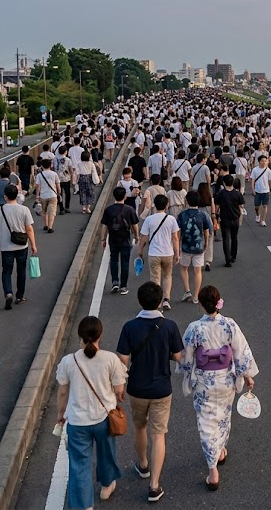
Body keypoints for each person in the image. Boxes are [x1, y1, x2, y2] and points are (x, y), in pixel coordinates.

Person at [179, 286, 259, 491]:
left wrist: (187, 372)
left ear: (202, 304)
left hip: (204, 382)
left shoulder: (194, 328)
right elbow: (241, 352)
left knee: (206, 422)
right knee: (223, 417)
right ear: (218, 302)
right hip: (225, 381)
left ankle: (212, 469)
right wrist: (247, 375)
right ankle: (220, 449)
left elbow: (186, 359)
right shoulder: (229, 324)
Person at [116, 282, 185, 503]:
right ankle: (154, 485)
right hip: (161, 389)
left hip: (137, 388)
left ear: (139, 301)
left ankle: (143, 464)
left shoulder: (129, 327)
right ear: (159, 302)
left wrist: (118, 386)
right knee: (159, 435)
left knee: (140, 427)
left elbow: (122, 361)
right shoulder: (170, 326)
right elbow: (178, 356)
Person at [55, 316, 125, 509]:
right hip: (104, 419)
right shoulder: (111, 359)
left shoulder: (69, 361)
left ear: (81, 336)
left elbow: (62, 391)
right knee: (106, 453)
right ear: (100, 336)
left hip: (78, 422)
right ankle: (106, 485)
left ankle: (84, 505)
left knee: (79, 466)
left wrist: (60, 414)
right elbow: (119, 389)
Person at [0, 184, 37, 310]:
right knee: (21, 271)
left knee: (6, 271)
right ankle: (20, 296)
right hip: (22, 245)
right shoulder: (24, 210)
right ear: (17, 195)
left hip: (6, 246)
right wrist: (33, 244)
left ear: (5, 196)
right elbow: (29, 229)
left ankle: (8, 293)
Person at [138, 195, 181, 309]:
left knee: (155, 279)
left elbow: (144, 237)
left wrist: (140, 250)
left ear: (154, 205)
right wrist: (177, 253)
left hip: (154, 253)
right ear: (167, 205)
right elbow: (175, 238)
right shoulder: (171, 219)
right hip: (168, 252)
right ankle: (166, 299)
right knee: (167, 276)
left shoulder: (149, 219)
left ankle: (157, 303)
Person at [101, 186, 140, 295]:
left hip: (113, 239)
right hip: (125, 239)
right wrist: (136, 236)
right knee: (125, 262)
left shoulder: (108, 210)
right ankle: (123, 286)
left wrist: (103, 239)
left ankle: (115, 282)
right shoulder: (129, 209)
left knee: (113, 260)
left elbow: (104, 226)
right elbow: (134, 225)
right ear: (125, 196)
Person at [176, 190, 213, 304]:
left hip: (186, 246)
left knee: (184, 268)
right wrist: (206, 242)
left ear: (186, 201)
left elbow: (178, 232)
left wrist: (177, 246)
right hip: (199, 246)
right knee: (198, 271)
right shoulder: (203, 214)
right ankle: (196, 296)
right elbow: (207, 231)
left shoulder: (182, 215)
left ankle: (187, 291)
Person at [214, 175, 245, 267]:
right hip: (235, 218)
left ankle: (227, 259)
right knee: (234, 237)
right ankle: (233, 256)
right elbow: (241, 208)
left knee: (226, 239)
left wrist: (215, 216)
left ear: (224, 183)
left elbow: (217, 207)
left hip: (224, 219)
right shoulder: (238, 194)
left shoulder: (220, 193)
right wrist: (240, 220)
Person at [35, 158, 61, 233]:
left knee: (44, 211)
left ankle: (46, 225)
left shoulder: (39, 175)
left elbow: (38, 186)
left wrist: (37, 196)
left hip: (43, 195)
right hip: (53, 195)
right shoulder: (54, 174)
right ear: (50, 165)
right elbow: (58, 184)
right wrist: (59, 192)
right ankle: (50, 227)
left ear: (42, 166)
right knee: (52, 212)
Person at [249, 154, 271, 227]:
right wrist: (252, 189)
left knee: (265, 205)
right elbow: (252, 180)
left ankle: (263, 220)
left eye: (265, 161)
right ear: (259, 161)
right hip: (257, 191)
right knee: (256, 206)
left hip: (266, 190)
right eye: (262, 161)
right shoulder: (255, 170)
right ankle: (257, 215)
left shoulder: (268, 170)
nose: (264, 162)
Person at [197, 181, 217, 272]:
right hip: (208, 222)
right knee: (209, 241)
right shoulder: (210, 198)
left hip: (199, 222)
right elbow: (213, 213)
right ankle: (208, 261)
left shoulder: (197, 199)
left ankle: (199, 260)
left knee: (200, 240)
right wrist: (215, 220)